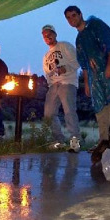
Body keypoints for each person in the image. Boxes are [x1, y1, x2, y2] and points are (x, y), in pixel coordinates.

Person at [64, 6, 110, 149]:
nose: (72, 19)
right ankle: (103, 141)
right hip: (94, 77)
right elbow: (83, 63)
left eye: (74, 15)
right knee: (99, 108)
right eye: (68, 18)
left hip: (108, 72)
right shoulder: (79, 39)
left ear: (80, 14)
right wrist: (87, 82)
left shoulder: (96, 25)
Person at [41, 24, 81, 153]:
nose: (48, 37)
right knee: (48, 114)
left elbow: (77, 61)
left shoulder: (64, 45)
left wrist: (65, 69)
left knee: (69, 111)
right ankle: (58, 140)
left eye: (50, 34)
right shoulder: (46, 56)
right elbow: (47, 73)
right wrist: (50, 81)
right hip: (54, 85)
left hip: (67, 82)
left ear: (55, 34)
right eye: (45, 36)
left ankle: (75, 142)